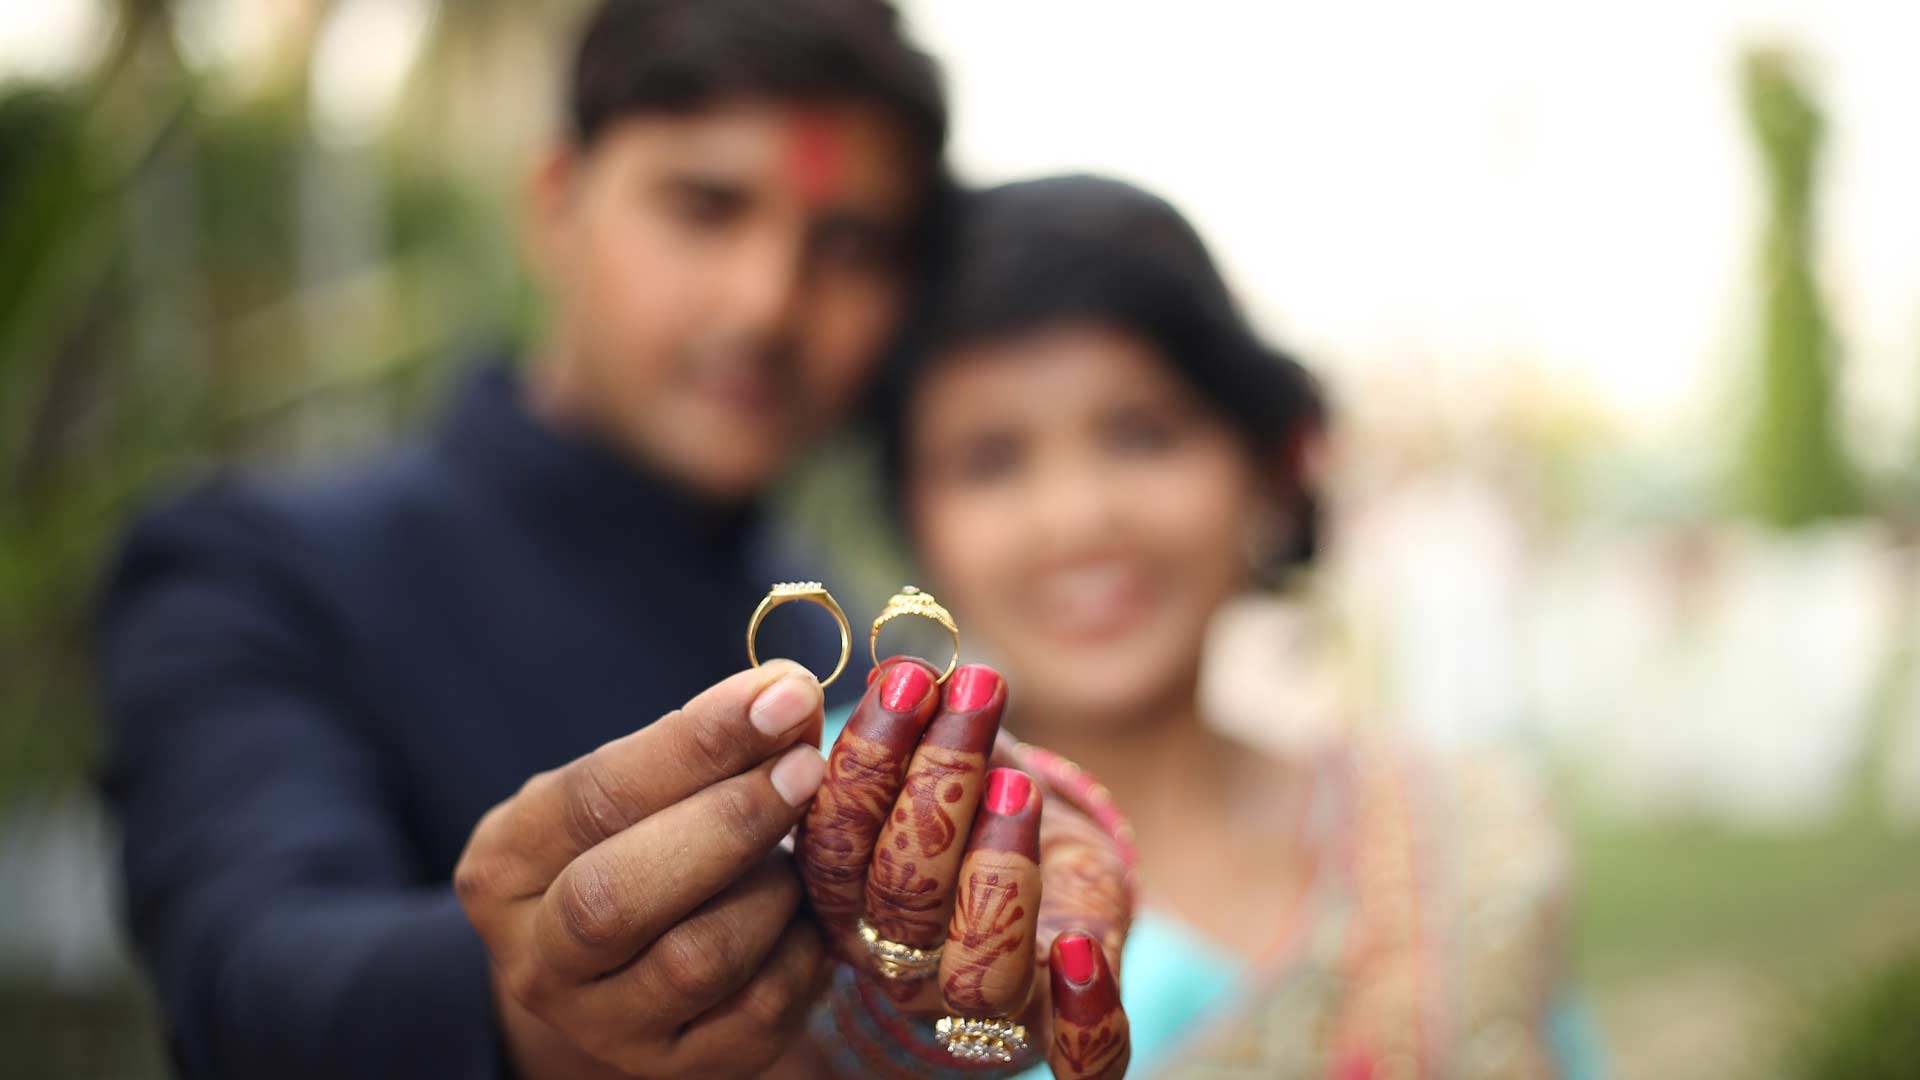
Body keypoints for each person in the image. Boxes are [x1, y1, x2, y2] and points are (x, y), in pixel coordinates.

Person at [94, 4, 1129, 1078]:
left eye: (848, 244)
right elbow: (245, 976)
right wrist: (530, 1002)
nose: (768, 302)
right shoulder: (253, 572)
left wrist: (973, 960)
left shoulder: (870, 675)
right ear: (556, 203)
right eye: (706, 208)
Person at [870, 175, 1602, 1079]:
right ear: (914, 514)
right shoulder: (835, 853)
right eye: (992, 461)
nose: (1078, 517)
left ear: (1262, 468)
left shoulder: (1467, 849)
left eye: (1141, 434)